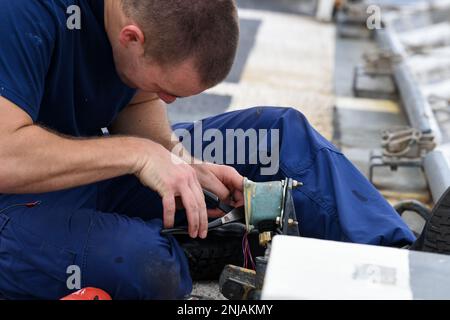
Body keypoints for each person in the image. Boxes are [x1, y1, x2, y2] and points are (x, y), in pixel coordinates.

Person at [0, 0, 419, 300]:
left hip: (89, 167)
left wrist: (180, 159)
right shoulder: (23, 14)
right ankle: (187, 246)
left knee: (277, 135)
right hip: (15, 197)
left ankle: (404, 264)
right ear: (132, 37)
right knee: (145, 266)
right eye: (167, 89)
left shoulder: (136, 22)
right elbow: (6, 156)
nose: (168, 102)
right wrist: (142, 156)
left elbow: (138, 100)